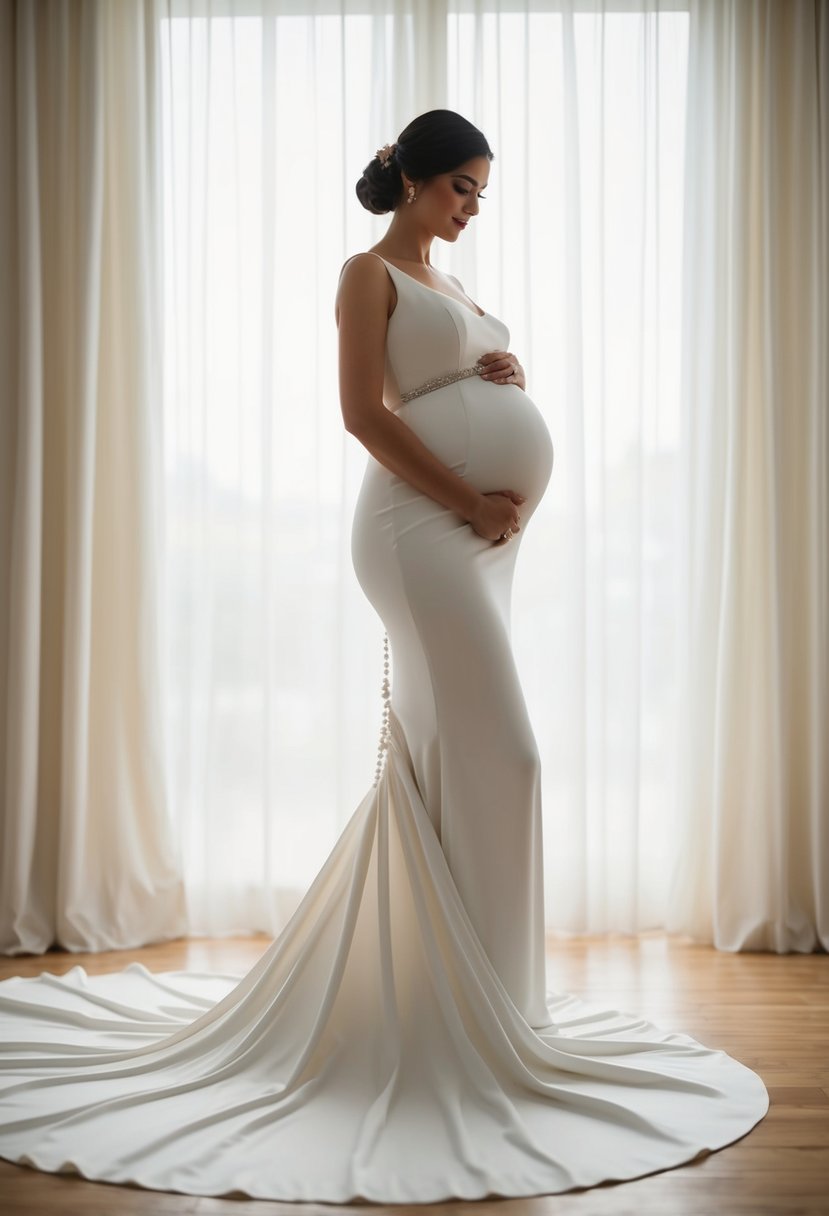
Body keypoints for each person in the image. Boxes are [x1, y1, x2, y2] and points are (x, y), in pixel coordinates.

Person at [0, 110, 768, 1205]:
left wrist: (499, 370)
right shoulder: (367, 273)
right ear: (409, 179)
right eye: (458, 186)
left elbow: (441, 388)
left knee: (454, 759)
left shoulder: (452, 284)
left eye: (479, 194)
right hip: (418, 536)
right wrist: (466, 492)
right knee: (508, 757)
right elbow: (364, 411)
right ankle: (486, 1016)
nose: (467, 206)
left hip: (477, 538)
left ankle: (477, 999)